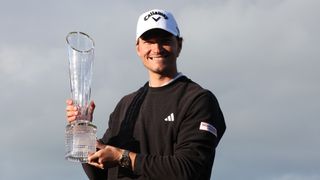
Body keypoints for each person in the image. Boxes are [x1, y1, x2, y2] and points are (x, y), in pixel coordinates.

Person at [66, 9, 226, 180]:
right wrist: (82, 132)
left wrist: (123, 157)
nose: (156, 48)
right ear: (138, 48)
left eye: (165, 40)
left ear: (179, 45)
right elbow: (101, 174)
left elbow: (189, 169)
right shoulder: (126, 104)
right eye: (149, 41)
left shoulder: (198, 100)